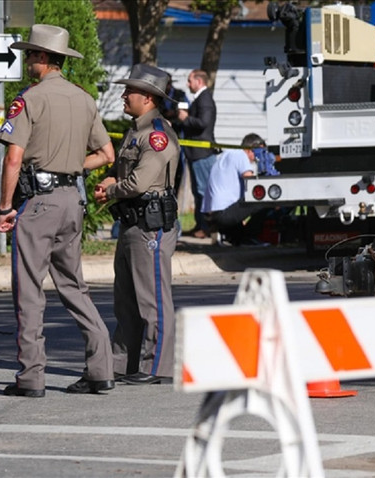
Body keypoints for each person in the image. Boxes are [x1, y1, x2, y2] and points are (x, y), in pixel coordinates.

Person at [0, 24, 116, 397]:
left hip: (38, 204)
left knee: (29, 290)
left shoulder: (29, 100)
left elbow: (13, 159)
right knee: (74, 287)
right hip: (71, 202)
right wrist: (69, 166)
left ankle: (31, 377)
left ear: (43, 59)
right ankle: (101, 369)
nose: (27, 60)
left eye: (30, 54)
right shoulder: (84, 99)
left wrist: (4, 207)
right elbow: (107, 155)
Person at [93, 64, 180, 385]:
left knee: (152, 299)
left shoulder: (156, 134)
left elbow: (139, 183)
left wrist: (111, 190)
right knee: (125, 299)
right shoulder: (136, 130)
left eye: (129, 91)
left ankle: (156, 365)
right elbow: (124, 172)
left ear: (147, 97)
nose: (124, 95)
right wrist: (110, 180)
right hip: (132, 223)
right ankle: (123, 362)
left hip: (150, 225)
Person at [202, 133, 272, 246]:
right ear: (251, 149)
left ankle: (227, 234)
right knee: (263, 200)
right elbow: (252, 182)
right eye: (259, 152)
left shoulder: (226, 155)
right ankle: (251, 237)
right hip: (223, 213)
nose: (259, 158)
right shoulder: (241, 155)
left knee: (239, 233)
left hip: (211, 213)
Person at [177, 69, 218, 239]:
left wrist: (185, 119)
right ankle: (199, 225)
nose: (187, 84)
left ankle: (207, 228)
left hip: (202, 154)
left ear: (199, 82)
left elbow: (203, 122)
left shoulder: (205, 99)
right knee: (197, 191)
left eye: (190, 80)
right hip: (195, 154)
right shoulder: (200, 99)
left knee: (203, 192)